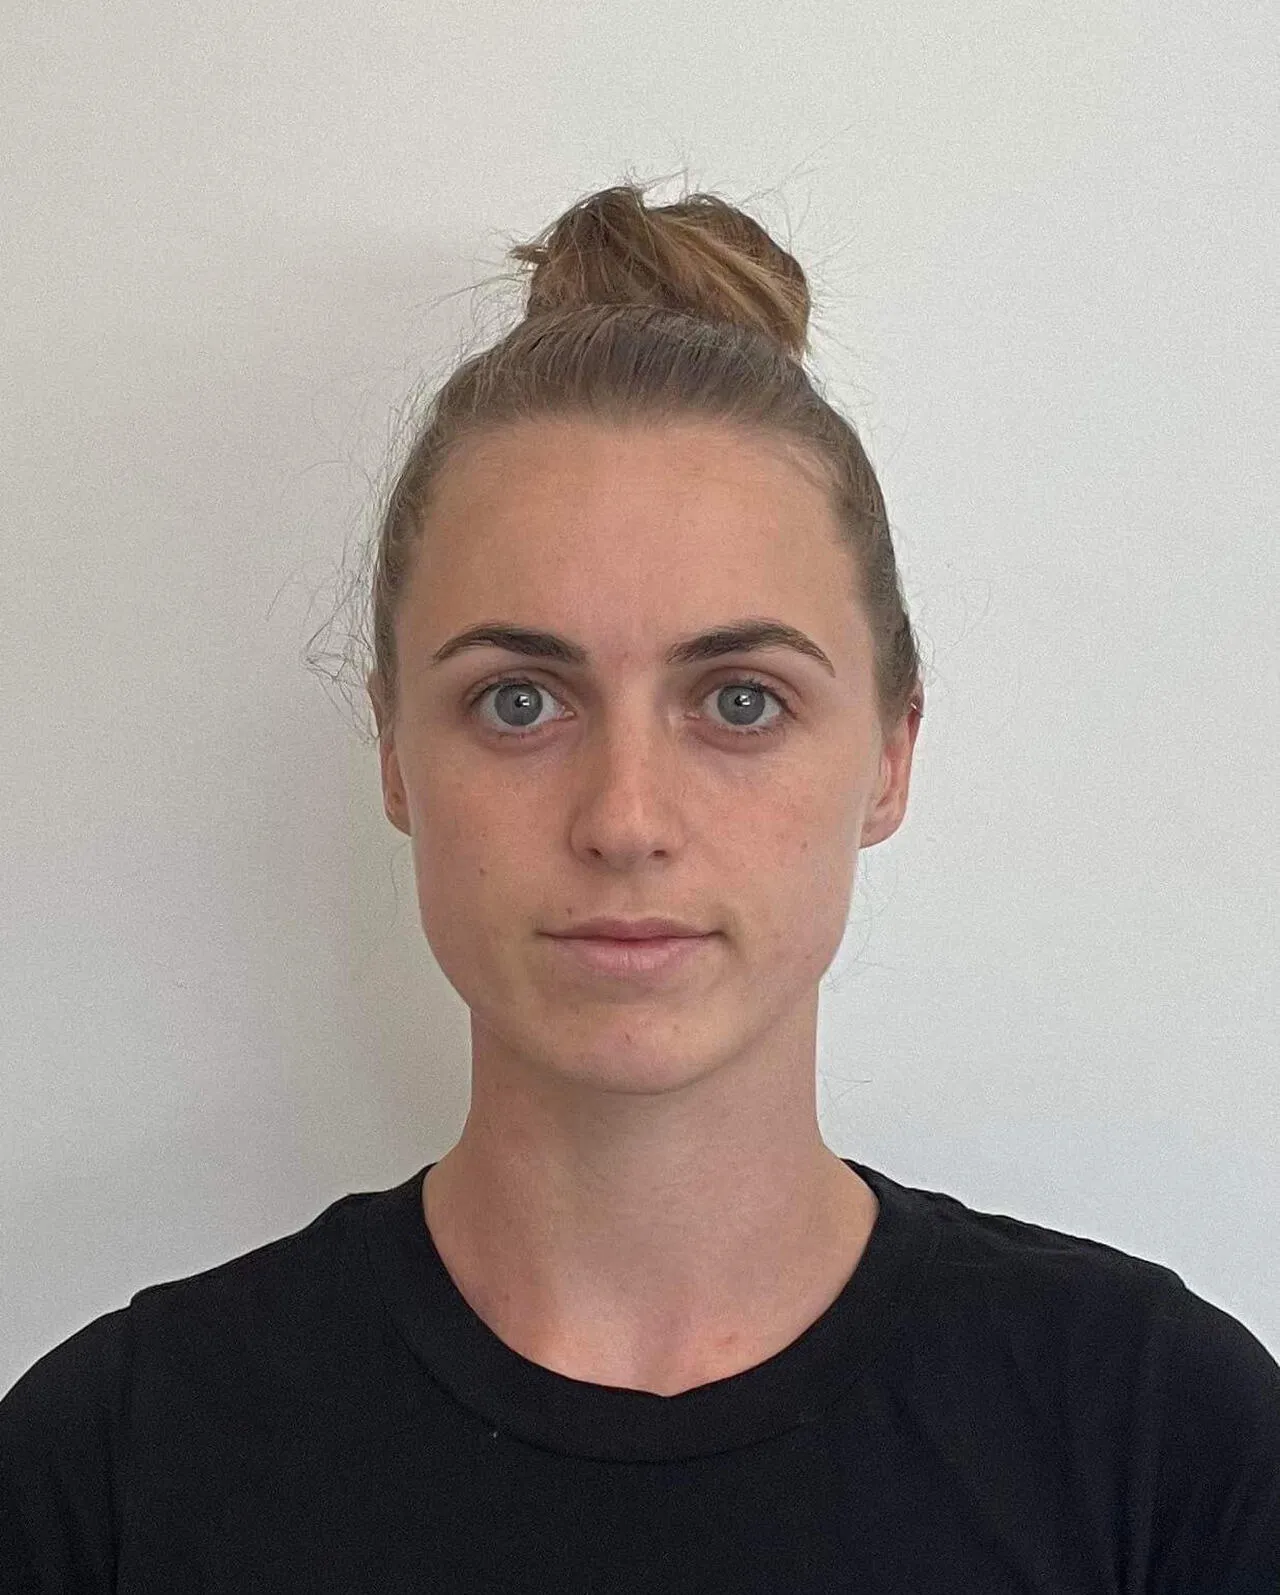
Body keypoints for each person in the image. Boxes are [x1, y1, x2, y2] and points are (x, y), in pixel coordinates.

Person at [2, 178, 1277, 1593]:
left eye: (740, 700)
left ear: (890, 756)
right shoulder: (108, 1471)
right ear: (397, 755)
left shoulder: (1168, 1445)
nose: (624, 819)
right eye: (518, 701)